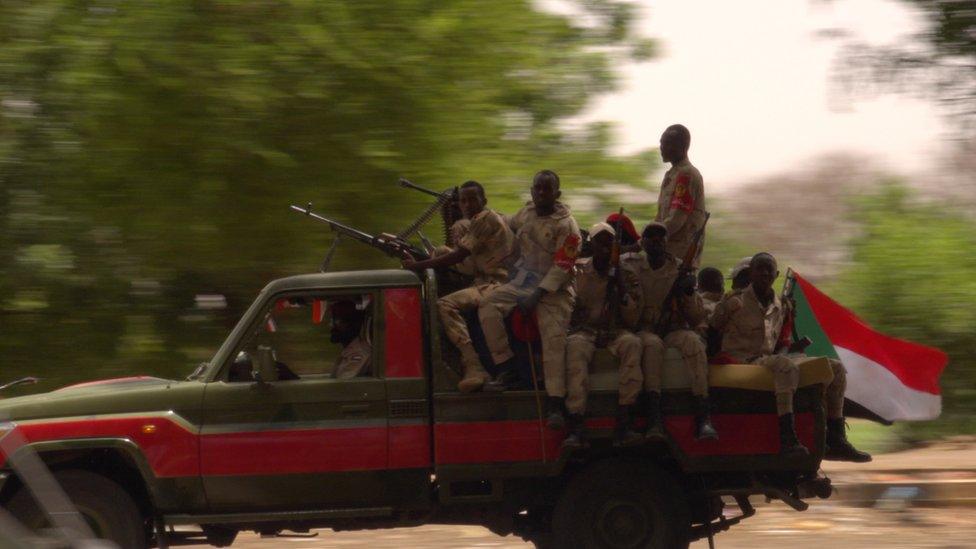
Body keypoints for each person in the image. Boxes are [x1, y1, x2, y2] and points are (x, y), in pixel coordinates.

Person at [710, 253, 871, 462]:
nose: (765, 273)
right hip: (741, 359)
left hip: (767, 359)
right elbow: (712, 332)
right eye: (760, 269)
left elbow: (778, 345)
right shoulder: (734, 302)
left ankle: (836, 437)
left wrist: (792, 347)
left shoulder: (781, 305)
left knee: (835, 367)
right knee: (786, 367)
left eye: (770, 269)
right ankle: (788, 439)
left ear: (776, 274)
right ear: (751, 273)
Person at [478, 169, 581, 428]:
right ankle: (506, 366)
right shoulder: (526, 213)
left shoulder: (567, 225)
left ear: (557, 193)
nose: (541, 193)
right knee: (488, 305)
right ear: (532, 190)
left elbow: (562, 266)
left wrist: (536, 295)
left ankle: (555, 404)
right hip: (523, 282)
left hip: (553, 291)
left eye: (547, 189)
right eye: (537, 188)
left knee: (553, 340)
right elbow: (505, 223)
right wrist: (480, 217)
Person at [403, 181, 514, 392]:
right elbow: (465, 262)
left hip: (497, 285)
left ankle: (474, 365)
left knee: (444, 305)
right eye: (463, 200)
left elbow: (460, 255)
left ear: (484, 201)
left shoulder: (485, 219)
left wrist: (417, 265)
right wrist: (436, 254)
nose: (467, 204)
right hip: (486, 282)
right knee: (442, 252)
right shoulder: (480, 222)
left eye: (473, 199)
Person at [625, 222, 717, 441]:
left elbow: (696, 317)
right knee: (652, 345)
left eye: (661, 237)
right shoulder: (631, 265)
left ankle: (703, 415)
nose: (656, 241)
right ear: (643, 242)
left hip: (672, 327)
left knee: (693, 342)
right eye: (650, 236)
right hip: (644, 328)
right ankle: (654, 417)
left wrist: (687, 292)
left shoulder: (679, 268)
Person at [564, 222, 644, 448]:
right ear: (592, 244)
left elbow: (633, 318)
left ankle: (624, 420)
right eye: (600, 242)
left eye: (610, 242)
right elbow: (569, 308)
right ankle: (577, 424)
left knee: (632, 344)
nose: (605, 247)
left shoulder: (626, 274)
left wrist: (619, 283)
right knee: (575, 348)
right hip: (586, 331)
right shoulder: (578, 271)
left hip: (616, 331)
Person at [654, 124, 707, 269]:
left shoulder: (686, 175)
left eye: (667, 143)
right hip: (667, 254)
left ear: (682, 146)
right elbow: (660, 217)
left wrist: (650, 239)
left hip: (679, 257)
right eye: (661, 142)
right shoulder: (672, 175)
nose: (662, 147)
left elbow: (676, 219)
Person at [330, 299, 372, 379]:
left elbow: (342, 385)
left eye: (336, 321)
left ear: (351, 325)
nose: (331, 326)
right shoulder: (349, 350)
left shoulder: (358, 353)